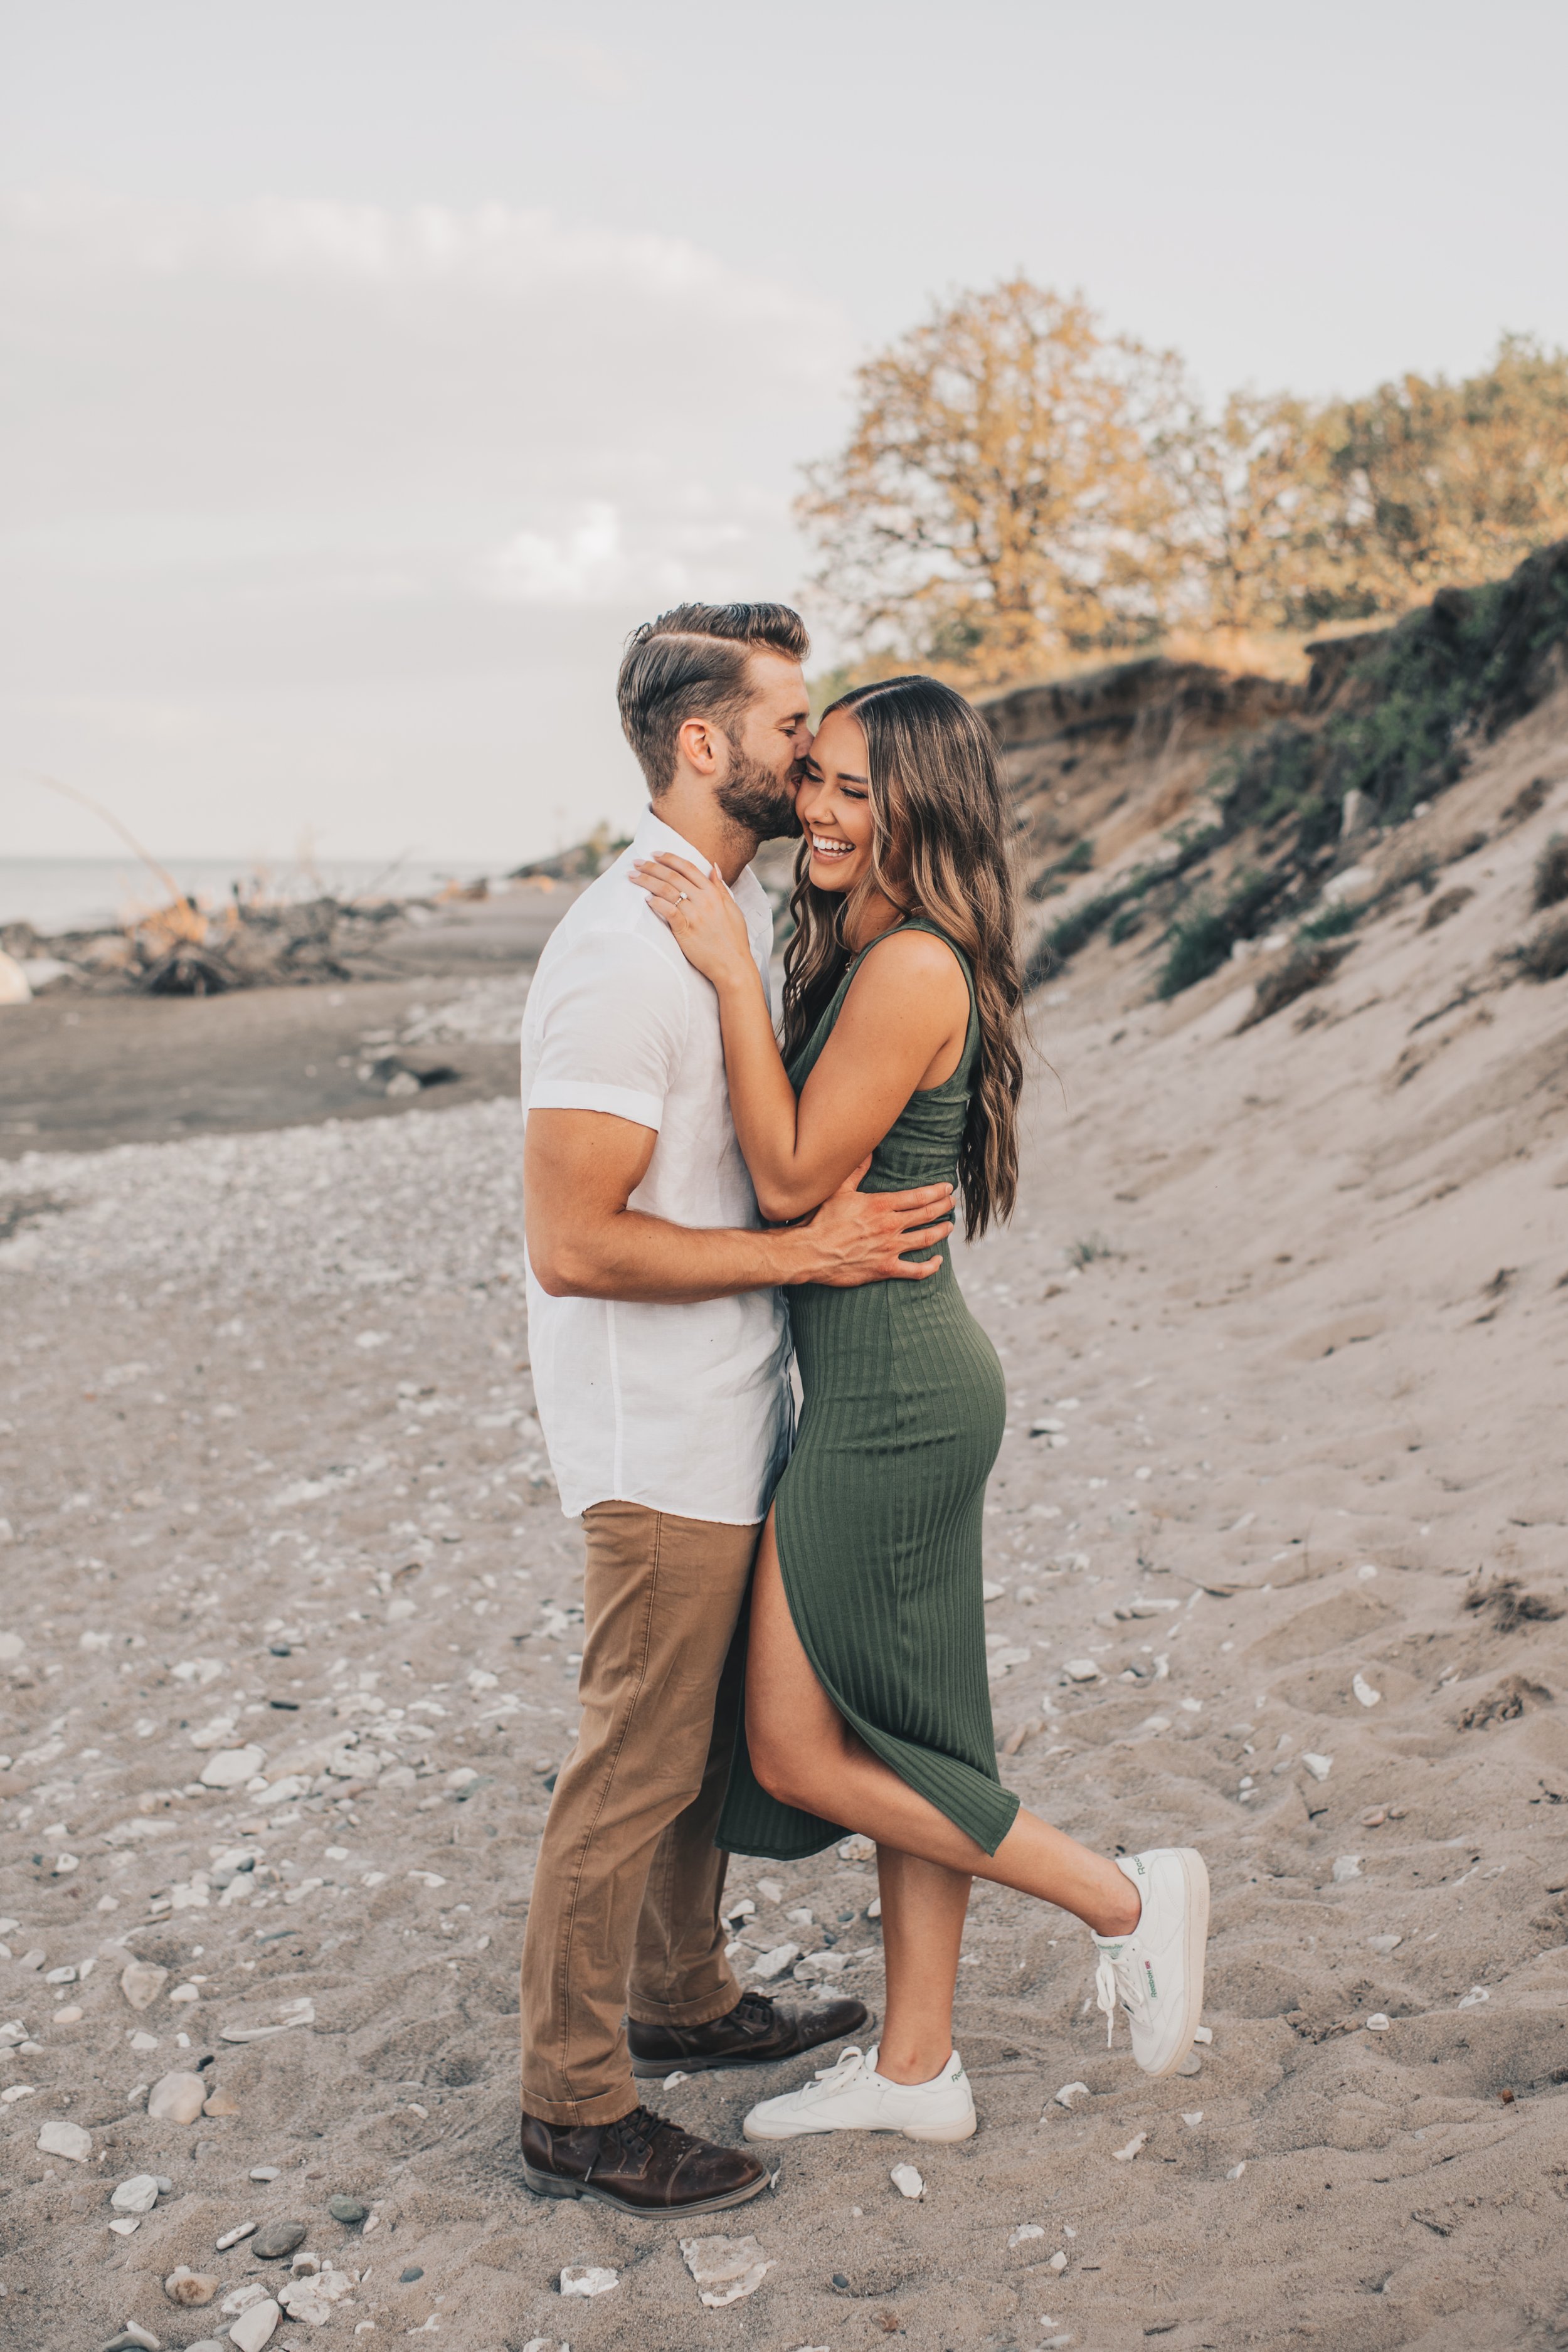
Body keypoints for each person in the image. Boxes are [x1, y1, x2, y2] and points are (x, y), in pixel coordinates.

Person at [632, 672, 1209, 2147]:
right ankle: (916, 2072)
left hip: (891, 1399)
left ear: (921, 805)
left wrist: (727, 976)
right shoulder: (881, 944)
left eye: (852, 791)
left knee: (793, 1746)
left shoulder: (908, 972)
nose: (820, 810)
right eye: (813, 778)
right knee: (914, 1733)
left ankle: (1124, 1898)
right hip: (895, 1383)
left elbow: (783, 1181)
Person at [517, 604, 963, 2217]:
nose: (809, 759)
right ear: (703, 745)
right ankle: (572, 2103)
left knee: (696, 1750)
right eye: (790, 730)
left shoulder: (701, 917)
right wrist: (799, 1248)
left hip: (727, 1400)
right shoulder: (619, 951)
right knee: (630, 1764)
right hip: (651, 1434)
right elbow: (571, 1242)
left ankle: (684, 1998)